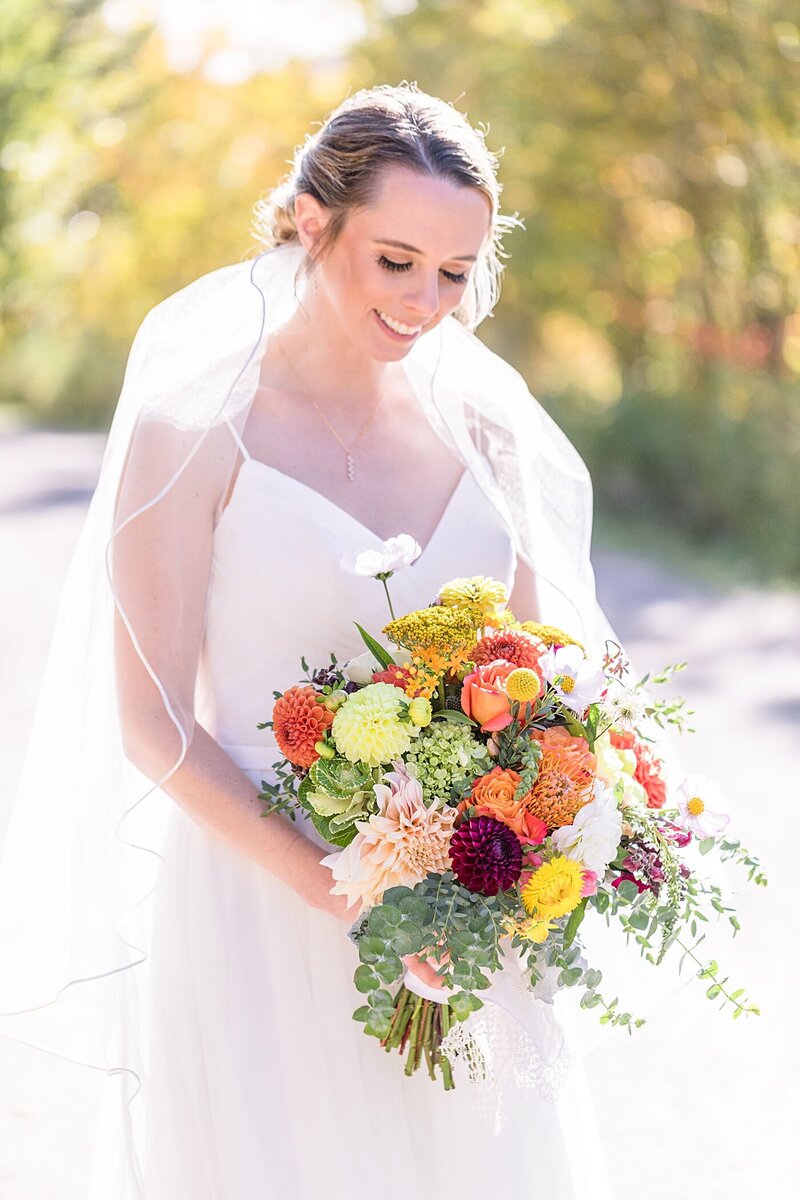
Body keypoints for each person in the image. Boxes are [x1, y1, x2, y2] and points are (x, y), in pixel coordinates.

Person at [0, 84, 618, 1198]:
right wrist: (355, 894)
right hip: (257, 913)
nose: (426, 301)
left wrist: (521, 843)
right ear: (307, 220)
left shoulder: (487, 431)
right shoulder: (194, 430)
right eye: (394, 261)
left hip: (457, 926)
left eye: (453, 271)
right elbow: (149, 725)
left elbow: (536, 686)